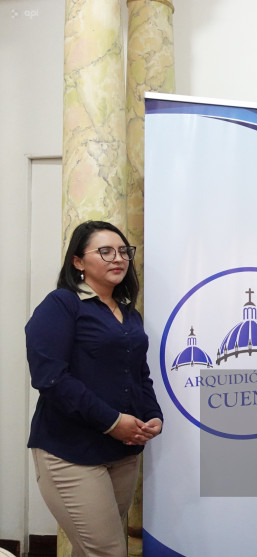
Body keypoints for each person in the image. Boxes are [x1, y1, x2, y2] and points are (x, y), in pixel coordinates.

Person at [26, 220, 163, 557]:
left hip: (122, 454)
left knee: (91, 549)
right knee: (108, 552)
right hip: (69, 451)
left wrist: (152, 416)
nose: (118, 258)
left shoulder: (130, 315)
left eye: (123, 252)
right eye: (105, 251)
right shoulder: (62, 304)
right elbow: (50, 377)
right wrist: (113, 422)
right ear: (78, 261)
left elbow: (139, 375)